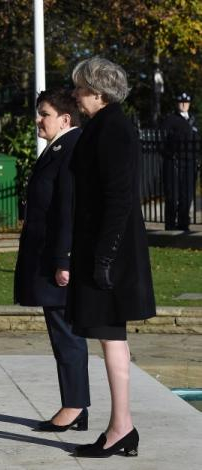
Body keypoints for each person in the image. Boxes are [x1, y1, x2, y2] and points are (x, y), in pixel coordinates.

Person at [69, 57, 156, 458]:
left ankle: (122, 427)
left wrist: (103, 257)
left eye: (80, 88)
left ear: (98, 92)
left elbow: (120, 197)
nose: (75, 94)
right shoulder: (104, 126)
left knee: (110, 335)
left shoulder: (113, 129)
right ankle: (122, 426)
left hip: (111, 251)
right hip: (104, 248)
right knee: (109, 337)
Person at [14, 88, 89, 433]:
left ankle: (74, 406)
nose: (38, 120)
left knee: (66, 334)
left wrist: (64, 260)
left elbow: (68, 210)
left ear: (65, 119)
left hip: (57, 260)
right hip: (49, 257)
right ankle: (76, 404)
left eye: (44, 113)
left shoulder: (70, 149)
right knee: (62, 333)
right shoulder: (58, 149)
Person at [161, 91, 199, 231]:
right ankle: (170, 225)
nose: (183, 105)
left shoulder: (194, 120)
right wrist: (170, 154)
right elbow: (161, 140)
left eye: (186, 102)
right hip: (174, 162)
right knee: (172, 196)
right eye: (181, 102)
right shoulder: (170, 120)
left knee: (186, 196)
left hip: (189, 162)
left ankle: (184, 224)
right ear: (177, 104)